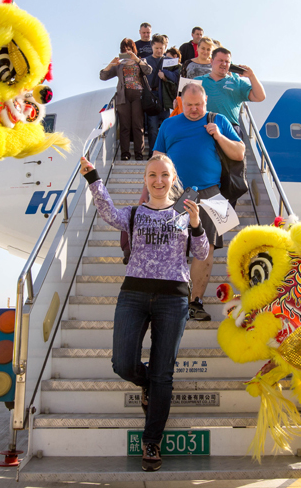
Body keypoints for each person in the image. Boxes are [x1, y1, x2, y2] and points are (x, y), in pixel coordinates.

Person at [80, 153, 208, 472]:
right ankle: (147, 382)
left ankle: (152, 441)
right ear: (145, 180)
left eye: (164, 175)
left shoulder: (185, 214)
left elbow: (202, 252)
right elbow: (108, 212)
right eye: (152, 174)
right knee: (123, 363)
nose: (158, 180)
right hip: (134, 294)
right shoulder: (135, 213)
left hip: (173, 298)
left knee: (164, 373)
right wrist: (93, 178)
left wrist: (196, 225)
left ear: (173, 179)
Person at [152, 84, 244, 322]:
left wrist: (218, 135)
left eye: (198, 105)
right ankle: (172, 301)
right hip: (175, 192)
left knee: (207, 248)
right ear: (180, 102)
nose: (194, 109)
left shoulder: (219, 120)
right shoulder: (168, 124)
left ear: (206, 101)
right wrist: (148, 194)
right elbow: (156, 161)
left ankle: (195, 302)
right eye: (189, 105)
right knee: (171, 245)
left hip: (212, 192)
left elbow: (239, 153)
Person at [100, 38, 152, 160]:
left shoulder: (140, 61)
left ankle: (139, 153)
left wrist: (137, 59)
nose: (127, 52)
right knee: (125, 125)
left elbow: (148, 70)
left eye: (129, 49)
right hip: (123, 96)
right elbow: (103, 76)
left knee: (138, 125)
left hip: (138, 95)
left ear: (134, 50)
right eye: (124, 50)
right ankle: (125, 153)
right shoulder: (119, 65)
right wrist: (111, 64)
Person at [194, 47, 266, 132]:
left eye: (227, 61)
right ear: (211, 61)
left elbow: (260, 97)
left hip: (229, 129)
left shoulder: (237, 83)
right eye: (220, 60)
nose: (224, 64)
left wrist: (251, 76)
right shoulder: (197, 81)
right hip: (202, 127)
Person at [144, 35, 180, 158]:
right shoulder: (145, 61)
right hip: (152, 97)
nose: (159, 51)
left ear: (165, 48)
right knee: (152, 126)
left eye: (161, 48)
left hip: (166, 97)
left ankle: (167, 154)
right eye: (157, 48)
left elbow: (177, 77)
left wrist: (165, 75)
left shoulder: (170, 61)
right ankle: (153, 154)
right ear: (152, 47)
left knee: (167, 126)